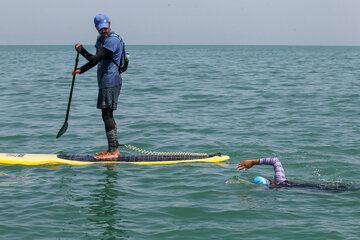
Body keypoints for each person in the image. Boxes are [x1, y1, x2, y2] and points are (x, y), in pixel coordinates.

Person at [72, 14, 125, 160]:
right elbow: (96, 61)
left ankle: (113, 151)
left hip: (111, 81)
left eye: (105, 28)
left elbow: (94, 58)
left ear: (109, 24)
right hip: (104, 81)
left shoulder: (113, 40)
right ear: (96, 28)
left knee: (107, 114)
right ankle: (113, 148)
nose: (103, 31)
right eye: (100, 29)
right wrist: (81, 70)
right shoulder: (101, 39)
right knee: (106, 114)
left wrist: (81, 50)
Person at [237, 158, 351, 191]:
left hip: (317, 190)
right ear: (270, 181)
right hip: (317, 186)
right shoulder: (280, 180)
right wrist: (253, 162)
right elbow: (275, 161)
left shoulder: (280, 191)